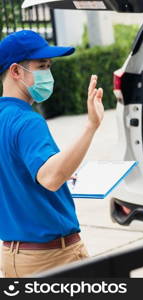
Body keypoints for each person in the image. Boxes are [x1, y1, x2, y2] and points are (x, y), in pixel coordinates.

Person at [0, 30, 104, 277]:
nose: (48, 74)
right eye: (41, 66)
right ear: (16, 71)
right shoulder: (28, 122)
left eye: (49, 66)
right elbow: (50, 177)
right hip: (53, 257)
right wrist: (91, 126)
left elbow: (16, 172)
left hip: (13, 258)